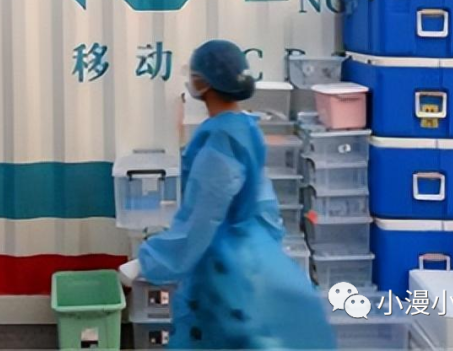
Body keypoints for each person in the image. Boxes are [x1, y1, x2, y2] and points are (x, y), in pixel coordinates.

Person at [118, 40, 335, 350]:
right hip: (248, 265)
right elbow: (261, 205)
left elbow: (202, 220)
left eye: (193, 74)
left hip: (222, 273)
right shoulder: (245, 128)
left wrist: (148, 260)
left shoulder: (220, 141)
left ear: (204, 82)